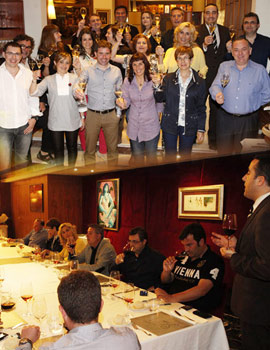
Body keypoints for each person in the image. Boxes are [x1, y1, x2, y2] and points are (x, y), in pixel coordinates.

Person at [211, 155, 270, 350]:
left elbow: (266, 266)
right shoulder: (261, 208)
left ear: (260, 180)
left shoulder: (267, 212)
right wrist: (237, 244)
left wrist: (233, 256)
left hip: (259, 311)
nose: (243, 178)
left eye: (248, 173)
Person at [16, 270, 140, 350]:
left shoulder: (52, 348)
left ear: (62, 312)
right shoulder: (128, 336)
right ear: (101, 306)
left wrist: (26, 341)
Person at [209, 38, 270, 154]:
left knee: (244, 156)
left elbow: (267, 94)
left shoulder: (260, 70)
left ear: (250, 51)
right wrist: (217, 94)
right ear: (232, 52)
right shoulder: (224, 67)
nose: (240, 53)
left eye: (244, 49)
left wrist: (252, 103)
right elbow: (215, 86)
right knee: (223, 154)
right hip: (225, 120)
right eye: (236, 50)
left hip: (248, 121)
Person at [30, 52, 85, 166]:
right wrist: (34, 79)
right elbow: (34, 92)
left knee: (72, 147)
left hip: (72, 119)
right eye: (61, 62)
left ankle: (71, 172)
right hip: (55, 120)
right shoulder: (49, 79)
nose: (64, 65)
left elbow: (78, 94)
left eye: (67, 63)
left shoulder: (74, 77)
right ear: (55, 63)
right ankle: (60, 175)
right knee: (58, 150)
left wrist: (82, 117)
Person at [155, 223, 224, 312]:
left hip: (194, 310)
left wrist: (172, 298)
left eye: (189, 245)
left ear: (201, 242)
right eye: (184, 245)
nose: (186, 249)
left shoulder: (213, 261)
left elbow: (201, 290)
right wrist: (166, 271)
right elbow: (166, 280)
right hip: (172, 306)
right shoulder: (182, 256)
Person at [73, 40, 122, 163]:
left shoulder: (117, 71)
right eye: (101, 53)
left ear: (110, 54)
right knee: (89, 151)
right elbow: (78, 85)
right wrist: (77, 91)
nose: (104, 57)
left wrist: (118, 115)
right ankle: (90, 177)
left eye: (106, 53)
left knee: (112, 151)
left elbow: (120, 93)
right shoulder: (88, 70)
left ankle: (112, 178)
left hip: (111, 115)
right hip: (92, 115)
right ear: (96, 54)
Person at [154, 46, 206, 156]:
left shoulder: (199, 81)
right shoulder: (168, 79)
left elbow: (201, 107)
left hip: (189, 124)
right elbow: (159, 98)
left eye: (186, 58)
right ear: (176, 61)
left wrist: (201, 129)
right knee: (169, 157)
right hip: (170, 123)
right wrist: (157, 85)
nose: (183, 61)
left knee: (185, 158)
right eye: (179, 58)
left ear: (191, 60)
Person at [13, 34, 54, 164]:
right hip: (18, 109)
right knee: (25, 131)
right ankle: (25, 161)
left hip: (33, 105)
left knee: (50, 119)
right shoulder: (9, 64)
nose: (25, 49)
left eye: (28, 47)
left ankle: (44, 151)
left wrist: (42, 100)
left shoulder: (32, 63)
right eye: (22, 46)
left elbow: (39, 84)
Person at [196, 3, 230, 150]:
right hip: (202, 76)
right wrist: (203, 45)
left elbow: (227, 55)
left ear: (217, 14)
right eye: (208, 13)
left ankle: (214, 141)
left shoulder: (225, 30)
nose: (211, 15)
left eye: (213, 13)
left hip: (220, 77)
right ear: (204, 15)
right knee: (198, 107)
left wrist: (229, 49)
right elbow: (194, 51)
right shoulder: (197, 30)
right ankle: (193, 137)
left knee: (217, 109)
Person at [0, 42, 38, 172]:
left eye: (17, 54)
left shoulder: (27, 73)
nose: (13, 57)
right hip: (3, 127)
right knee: (3, 165)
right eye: (10, 53)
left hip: (24, 125)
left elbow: (33, 96)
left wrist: (34, 118)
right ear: (4, 54)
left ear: (21, 56)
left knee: (21, 165)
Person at [116, 53, 160, 160]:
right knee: (137, 160)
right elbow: (126, 99)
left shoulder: (153, 79)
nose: (138, 68)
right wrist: (122, 103)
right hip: (134, 126)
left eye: (140, 64)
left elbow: (159, 101)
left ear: (145, 65)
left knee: (151, 160)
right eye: (134, 65)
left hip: (151, 126)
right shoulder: (128, 81)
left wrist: (159, 117)